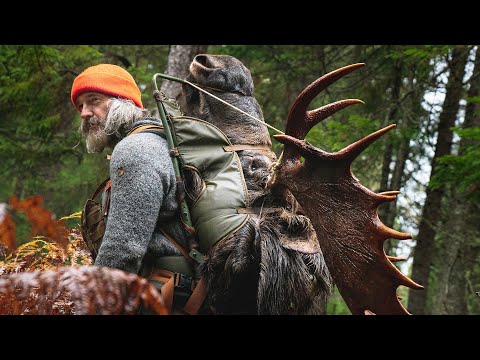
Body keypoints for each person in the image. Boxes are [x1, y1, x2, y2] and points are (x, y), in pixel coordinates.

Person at [71, 64, 197, 313]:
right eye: (80, 106)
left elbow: (123, 249)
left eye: (94, 100)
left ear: (122, 101)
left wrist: (90, 307)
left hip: (166, 299)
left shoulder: (135, 150)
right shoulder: (156, 141)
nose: (85, 113)